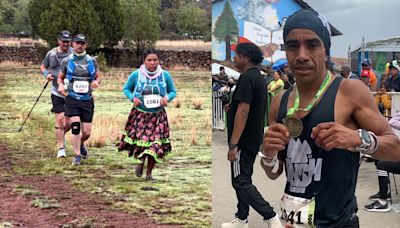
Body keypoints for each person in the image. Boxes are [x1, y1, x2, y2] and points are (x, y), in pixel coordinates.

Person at [260, 9, 400, 227]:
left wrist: (358, 139)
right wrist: (267, 153)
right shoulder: (279, 101)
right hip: (292, 221)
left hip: (339, 223)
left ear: (326, 51)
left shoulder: (349, 91)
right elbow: (274, 172)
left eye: (312, 45)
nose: (302, 55)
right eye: (293, 45)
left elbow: (395, 148)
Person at [221, 43, 282, 228]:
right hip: (253, 139)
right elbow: (245, 109)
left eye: (237, 55)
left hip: (243, 141)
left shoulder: (247, 78)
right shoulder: (258, 78)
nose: (234, 59)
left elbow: (244, 112)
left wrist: (233, 145)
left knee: (240, 182)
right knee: (243, 179)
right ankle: (241, 219)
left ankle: (271, 216)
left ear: (246, 57)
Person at [117, 49, 176, 180]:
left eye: (155, 60)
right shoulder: (136, 75)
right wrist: (133, 98)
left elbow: (172, 91)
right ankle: (140, 161)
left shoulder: (165, 75)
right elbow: (126, 89)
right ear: (144, 61)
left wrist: (167, 98)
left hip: (158, 116)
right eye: (149, 60)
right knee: (142, 142)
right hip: (140, 115)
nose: (152, 63)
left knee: (156, 144)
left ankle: (149, 173)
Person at [57, 34, 101, 165]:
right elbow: (60, 77)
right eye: (77, 43)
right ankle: (77, 155)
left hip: (87, 99)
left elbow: (98, 77)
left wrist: (96, 82)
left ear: (85, 45)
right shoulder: (66, 61)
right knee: (75, 126)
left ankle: (80, 143)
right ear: (73, 44)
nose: (80, 45)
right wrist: (60, 85)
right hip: (72, 98)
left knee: (86, 132)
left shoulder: (91, 61)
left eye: (82, 43)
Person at [40, 30, 73, 158]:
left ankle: (61, 134)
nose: (65, 44)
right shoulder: (52, 53)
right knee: (59, 119)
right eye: (63, 41)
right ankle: (61, 148)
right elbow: (43, 66)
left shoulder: (74, 54)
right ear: (58, 41)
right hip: (56, 91)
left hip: (71, 92)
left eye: (68, 41)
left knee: (69, 122)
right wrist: (46, 74)